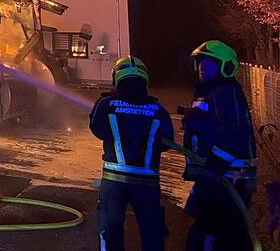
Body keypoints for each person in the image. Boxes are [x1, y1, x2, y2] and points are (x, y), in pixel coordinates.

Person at [89, 55, 174, 251]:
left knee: (110, 231)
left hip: (114, 182)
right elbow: (167, 142)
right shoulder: (158, 110)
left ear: (116, 78)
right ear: (145, 79)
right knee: (152, 233)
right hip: (148, 183)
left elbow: (97, 129)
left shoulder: (106, 105)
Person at [182, 40, 258, 251]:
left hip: (231, 177)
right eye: (199, 63)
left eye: (208, 63)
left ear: (226, 67)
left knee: (225, 236)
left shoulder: (227, 92)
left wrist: (213, 162)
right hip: (214, 175)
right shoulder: (210, 92)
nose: (201, 68)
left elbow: (235, 137)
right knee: (205, 228)